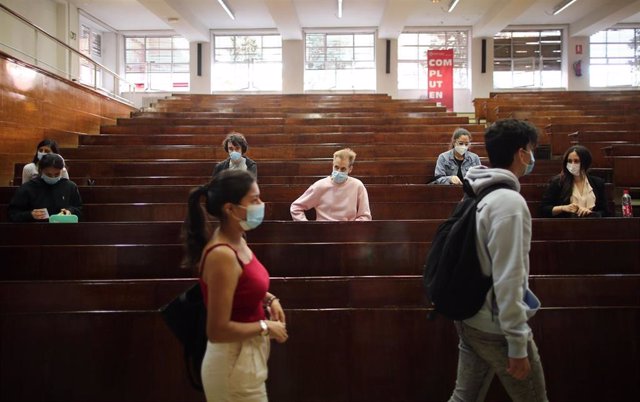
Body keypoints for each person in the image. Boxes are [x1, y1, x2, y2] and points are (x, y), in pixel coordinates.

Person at [448, 119, 548, 402]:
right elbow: (509, 277)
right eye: (531, 150)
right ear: (521, 153)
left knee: (465, 397)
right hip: (495, 326)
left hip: (469, 315)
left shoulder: (478, 191)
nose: (532, 157)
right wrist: (517, 343)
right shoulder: (509, 203)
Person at [181, 170, 288, 401]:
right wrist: (266, 327)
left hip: (246, 361)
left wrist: (269, 299)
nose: (261, 204)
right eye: (254, 200)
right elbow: (217, 330)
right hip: (231, 365)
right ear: (230, 208)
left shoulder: (238, 238)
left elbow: (243, 284)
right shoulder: (222, 255)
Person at [290, 148, 371, 221]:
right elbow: (296, 207)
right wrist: (306, 226)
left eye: (343, 169)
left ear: (350, 169)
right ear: (332, 165)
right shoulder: (320, 186)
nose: (338, 171)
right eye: (336, 167)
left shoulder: (358, 186)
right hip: (323, 233)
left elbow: (365, 216)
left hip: (348, 232)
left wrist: (352, 230)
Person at [8, 153, 82, 222]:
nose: (53, 177)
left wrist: (70, 211)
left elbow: (79, 209)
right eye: (49, 175)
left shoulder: (70, 187)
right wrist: (30, 215)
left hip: (63, 229)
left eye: (57, 174)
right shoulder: (27, 188)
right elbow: (13, 214)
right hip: (35, 230)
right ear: (41, 171)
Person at [540, 145, 608, 218]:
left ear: (585, 162)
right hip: (566, 226)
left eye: (576, 161)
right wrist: (563, 208)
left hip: (592, 225)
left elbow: (605, 211)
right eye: (569, 161)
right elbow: (544, 209)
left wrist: (592, 213)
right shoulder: (558, 182)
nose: (572, 164)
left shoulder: (598, 183)